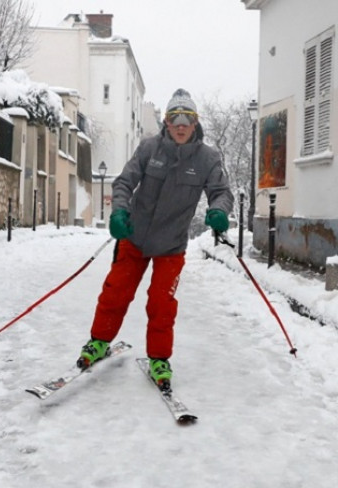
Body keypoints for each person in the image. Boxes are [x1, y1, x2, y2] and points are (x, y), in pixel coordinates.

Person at [76, 88, 232, 388]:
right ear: (167, 121)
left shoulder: (207, 158)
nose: (181, 123)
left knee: (161, 303)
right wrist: (120, 212)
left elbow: (221, 193)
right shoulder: (149, 148)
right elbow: (124, 182)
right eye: (175, 117)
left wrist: (219, 211)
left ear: (196, 122)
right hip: (135, 238)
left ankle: (159, 358)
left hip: (171, 246)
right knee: (116, 291)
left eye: (188, 117)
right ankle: (98, 341)